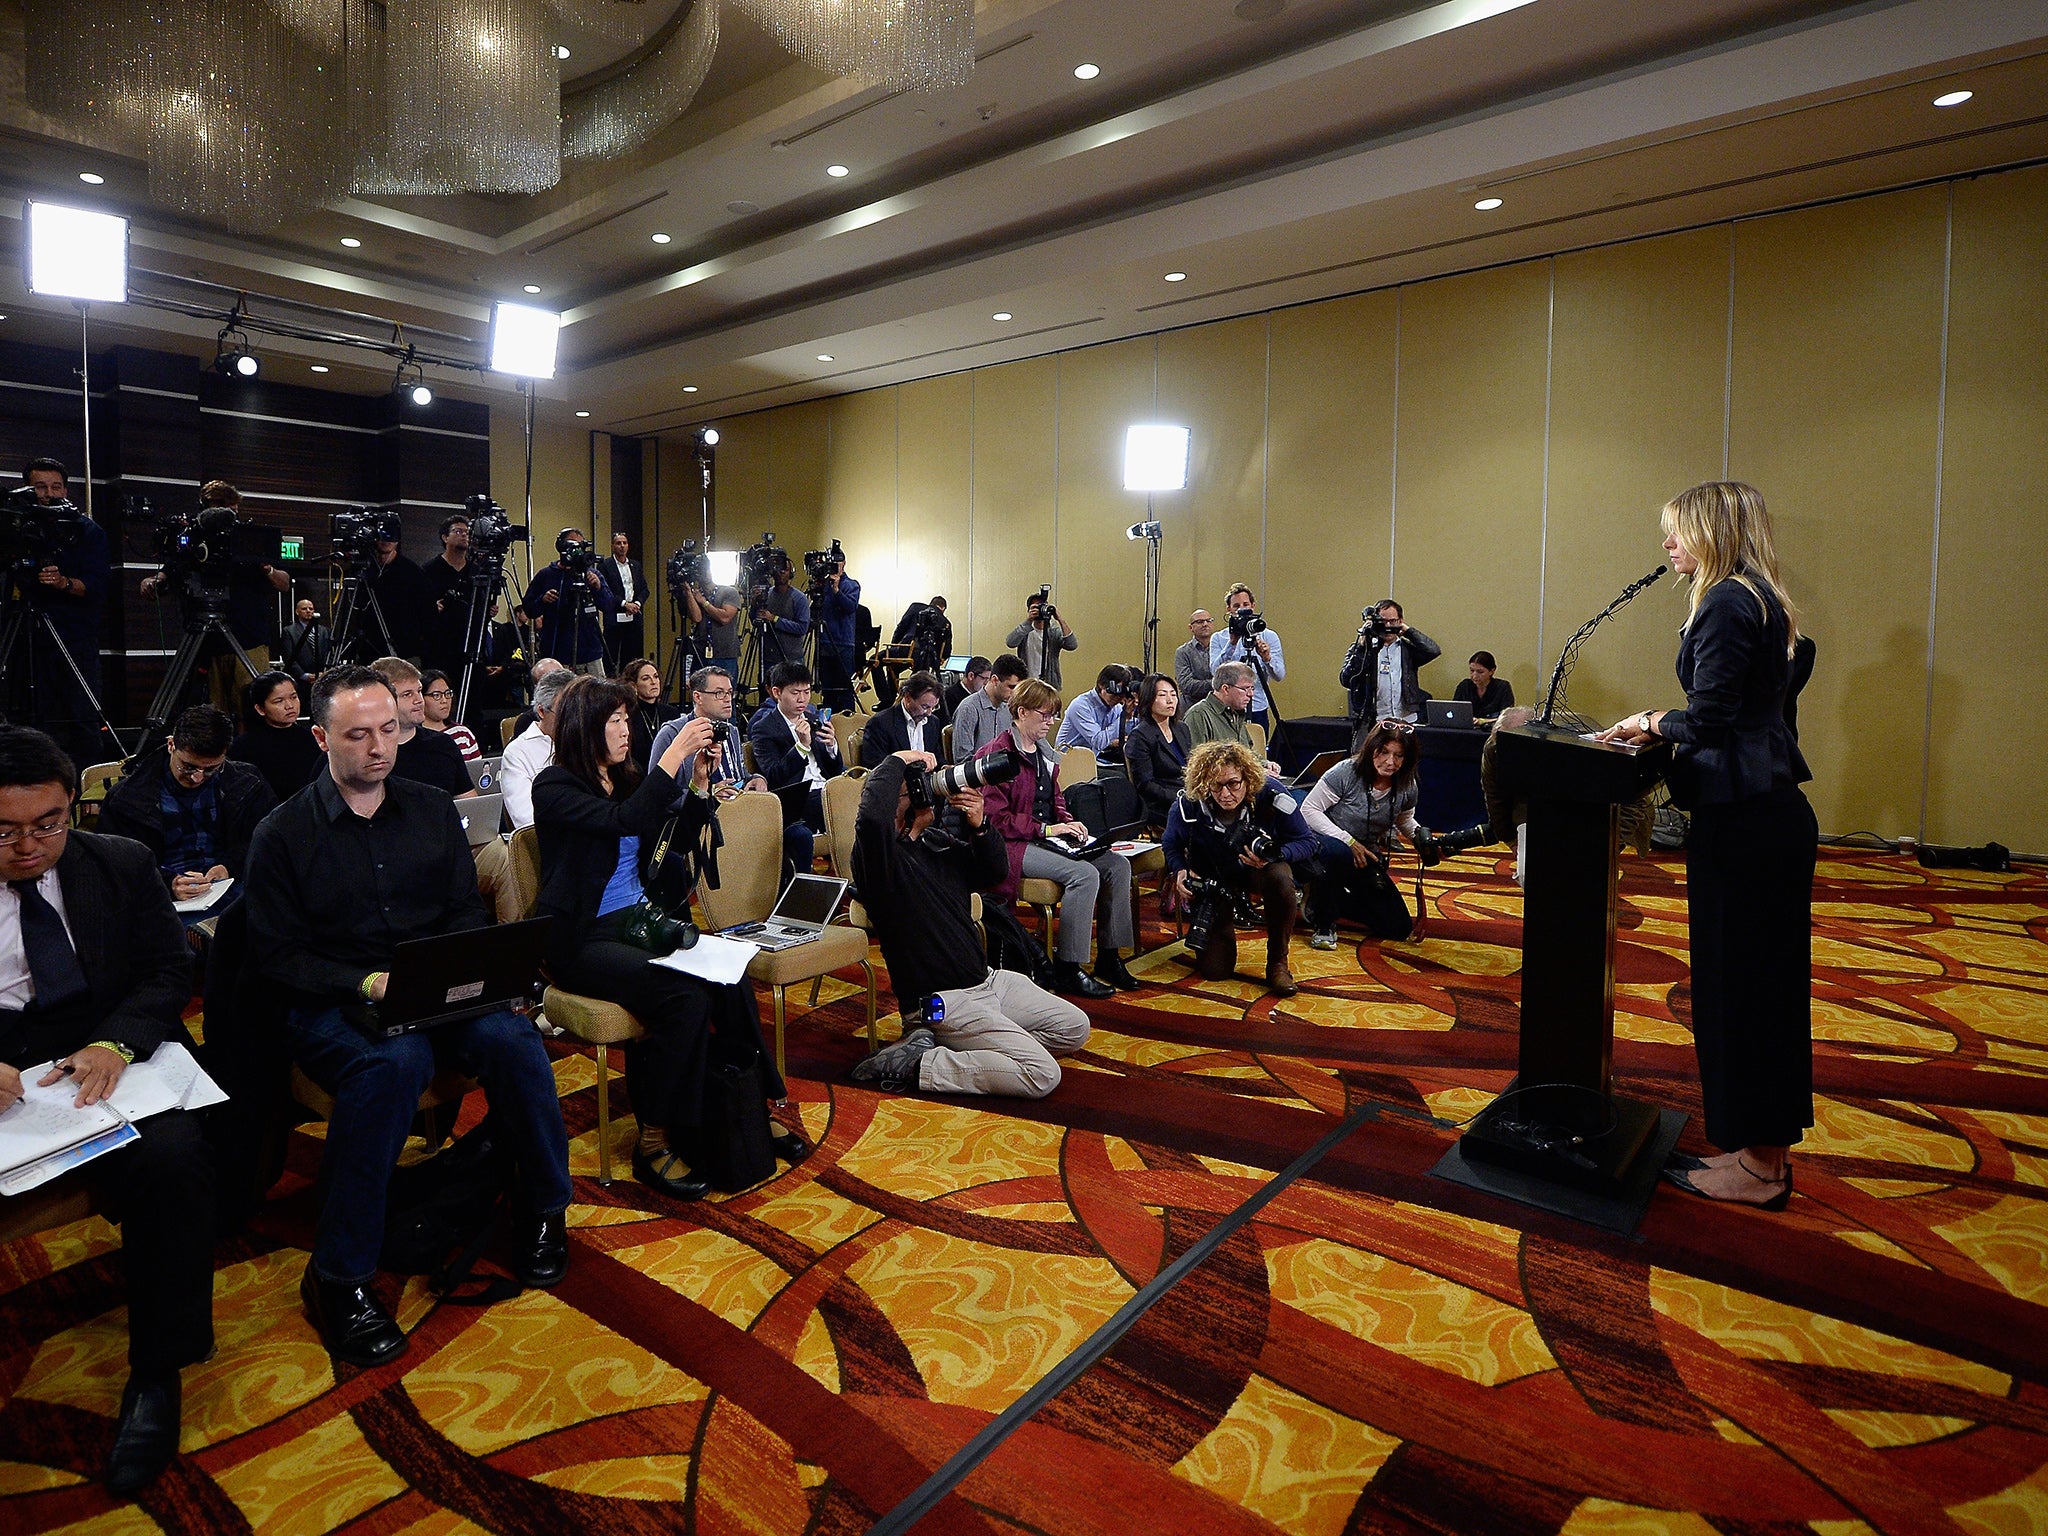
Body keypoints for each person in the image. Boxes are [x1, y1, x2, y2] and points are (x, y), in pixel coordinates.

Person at [243, 667, 574, 1367]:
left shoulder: (429, 808)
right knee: (395, 1064)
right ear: (321, 737)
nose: (377, 748)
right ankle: (339, 1277)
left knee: (515, 1040)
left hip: (431, 986)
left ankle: (544, 1209)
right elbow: (278, 958)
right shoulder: (281, 833)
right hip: (332, 1000)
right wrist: (368, 981)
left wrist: (467, 972)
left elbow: (459, 911)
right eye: (357, 735)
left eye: (388, 730)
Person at [0, 727, 218, 1495]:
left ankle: (159, 1370)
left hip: (102, 1047)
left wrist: (117, 1044)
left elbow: (167, 968)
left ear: (73, 809)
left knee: (175, 1159)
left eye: (48, 824)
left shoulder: (118, 862)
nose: (29, 847)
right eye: (5, 831)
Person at [1595, 481, 1815, 1212]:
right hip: (1771, 818)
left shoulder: (1726, 600)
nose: (1667, 545)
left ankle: (1756, 1167)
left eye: (1677, 531)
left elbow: (1711, 722)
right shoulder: (1765, 598)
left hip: (1746, 826)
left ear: (1712, 532)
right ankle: (1762, 1155)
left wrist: (1649, 719)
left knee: (1741, 995)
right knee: (1763, 994)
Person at [533, 680, 801, 1196]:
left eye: (626, 720)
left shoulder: (628, 778)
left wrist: (698, 785)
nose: (625, 730)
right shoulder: (554, 786)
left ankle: (752, 1105)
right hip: (581, 937)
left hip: (639, 919)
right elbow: (623, 822)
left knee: (730, 974)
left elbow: (674, 840)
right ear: (583, 728)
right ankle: (654, 1137)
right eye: (613, 721)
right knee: (682, 997)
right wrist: (674, 753)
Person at [849, 749, 1092, 1097]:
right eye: (914, 789)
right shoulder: (878, 861)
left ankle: (969, 1044)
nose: (929, 793)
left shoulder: (935, 842)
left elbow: (994, 872)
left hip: (988, 982)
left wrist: (981, 827)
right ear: (894, 803)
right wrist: (897, 759)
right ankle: (919, 1064)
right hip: (940, 1001)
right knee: (1041, 1074)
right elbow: (871, 819)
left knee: (1074, 1027)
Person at [975, 679, 1136, 998]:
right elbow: (995, 820)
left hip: (1045, 838)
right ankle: (1068, 967)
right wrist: (1048, 830)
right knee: (1084, 875)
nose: (1051, 722)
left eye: (1054, 716)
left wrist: (1069, 822)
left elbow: (1055, 800)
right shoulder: (996, 755)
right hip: (1011, 845)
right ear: (1021, 712)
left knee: (1117, 866)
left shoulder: (1042, 751)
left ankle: (1109, 955)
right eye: (1046, 714)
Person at [1164, 740, 1317, 998]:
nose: (1225, 794)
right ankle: (1221, 929)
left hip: (1259, 870)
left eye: (1233, 784)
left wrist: (1278, 855)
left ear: (1248, 779)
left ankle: (1278, 961)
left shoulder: (1271, 794)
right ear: (1205, 783)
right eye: (1217, 785)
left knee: (1280, 875)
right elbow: (1170, 842)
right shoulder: (1189, 803)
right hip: (1213, 876)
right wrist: (1179, 870)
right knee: (1215, 970)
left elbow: (1308, 842)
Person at [371, 657, 518, 923]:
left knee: (507, 858)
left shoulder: (444, 745)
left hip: (454, 845)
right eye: (408, 694)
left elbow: (470, 804)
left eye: (418, 691)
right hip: (400, 855)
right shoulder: (375, 754)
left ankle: (510, 952)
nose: (418, 700)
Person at [137, 480, 291, 718]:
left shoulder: (249, 538)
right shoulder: (193, 538)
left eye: (233, 509)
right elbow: (170, 569)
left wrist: (267, 569)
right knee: (216, 712)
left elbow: (284, 583)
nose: (230, 513)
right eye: (224, 507)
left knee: (252, 708)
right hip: (208, 640)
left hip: (248, 638)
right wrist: (154, 580)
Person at [99, 704, 276, 905]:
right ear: (171, 745)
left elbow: (267, 841)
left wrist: (230, 866)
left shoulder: (249, 783)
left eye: (211, 769)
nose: (198, 778)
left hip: (233, 887)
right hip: (159, 898)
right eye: (188, 767)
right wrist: (167, 884)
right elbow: (114, 866)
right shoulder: (127, 798)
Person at [14, 457, 113, 765]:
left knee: (82, 714)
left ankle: (90, 793)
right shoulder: (17, 527)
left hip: (74, 637)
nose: (49, 493)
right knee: (27, 717)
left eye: (56, 486)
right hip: (24, 635)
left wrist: (63, 583)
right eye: (40, 487)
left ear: (67, 491)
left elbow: (98, 586)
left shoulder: (87, 531)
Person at [1300, 721, 1424, 947]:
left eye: (1399, 755)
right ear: (1371, 749)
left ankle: (1324, 899)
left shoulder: (1406, 783)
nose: (1390, 762)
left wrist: (1421, 839)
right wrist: (1347, 840)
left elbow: (1404, 819)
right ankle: (1324, 921)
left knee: (1398, 927)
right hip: (1328, 846)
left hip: (1366, 854)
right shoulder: (1346, 771)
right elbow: (1308, 811)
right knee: (1337, 853)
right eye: (1383, 752)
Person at [748, 662, 841, 877]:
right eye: (795, 692)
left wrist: (831, 746)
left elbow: (833, 769)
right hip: (798, 799)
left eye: (807, 692)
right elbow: (773, 775)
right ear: (777, 692)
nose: (802, 699)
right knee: (849, 805)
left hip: (825, 790)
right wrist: (801, 746)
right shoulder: (764, 728)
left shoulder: (813, 719)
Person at [1340, 599, 1441, 738]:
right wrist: (1362, 646)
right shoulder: (1364, 649)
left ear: (1400, 621)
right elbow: (1346, 679)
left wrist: (1408, 631)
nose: (1387, 626)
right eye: (1383, 621)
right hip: (1374, 721)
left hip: (1406, 719)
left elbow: (1433, 650)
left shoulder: (1408, 650)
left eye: (1392, 621)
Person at [524, 531, 618, 675]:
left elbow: (609, 606)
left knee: (594, 697)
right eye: (572, 545)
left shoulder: (591, 575)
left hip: (589, 654)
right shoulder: (546, 575)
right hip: (556, 655)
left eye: (580, 545)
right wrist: (542, 600)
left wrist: (598, 588)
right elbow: (529, 609)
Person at [502, 668, 575, 831]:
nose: (573, 719)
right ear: (541, 711)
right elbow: (526, 821)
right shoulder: (518, 753)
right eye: (564, 712)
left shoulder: (589, 740)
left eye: (577, 710)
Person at [230, 670, 324, 798]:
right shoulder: (243, 747)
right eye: (279, 701)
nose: (290, 706)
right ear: (260, 709)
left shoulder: (314, 739)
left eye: (294, 697)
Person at [1183, 661, 1282, 775]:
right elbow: (1197, 765)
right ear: (1225, 689)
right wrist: (1254, 771)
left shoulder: (1236, 714)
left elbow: (1244, 753)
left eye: (1252, 688)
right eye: (1245, 689)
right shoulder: (1198, 715)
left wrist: (1264, 764)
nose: (1251, 694)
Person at [1208, 584, 1285, 728]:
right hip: (1227, 709)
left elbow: (1279, 675)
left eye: (1246, 605)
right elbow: (1214, 672)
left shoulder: (1268, 636)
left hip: (1258, 708)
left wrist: (1267, 658)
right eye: (1236, 606)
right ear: (1228, 609)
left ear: (1253, 606)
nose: (1242, 609)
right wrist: (1231, 643)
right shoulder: (1218, 638)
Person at [357, 524, 433, 663]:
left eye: (391, 537)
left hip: (405, 651)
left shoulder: (412, 572)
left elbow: (428, 613)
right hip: (368, 650)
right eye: (381, 536)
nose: (386, 540)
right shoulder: (364, 570)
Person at [1126, 673, 1191, 825]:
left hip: (1189, 795)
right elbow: (1145, 784)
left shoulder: (1182, 728)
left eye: (1174, 695)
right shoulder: (1140, 735)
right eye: (1163, 695)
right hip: (1160, 804)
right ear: (1148, 700)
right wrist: (1179, 796)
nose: (1170, 700)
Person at [419, 513, 475, 677]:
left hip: (469, 643)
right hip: (439, 644)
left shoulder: (476, 571)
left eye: (467, 532)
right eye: (457, 531)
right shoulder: (429, 570)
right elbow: (419, 607)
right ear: (445, 537)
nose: (464, 535)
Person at [811, 550, 862, 712]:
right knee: (828, 693)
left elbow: (850, 607)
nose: (834, 568)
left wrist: (836, 590)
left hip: (843, 645)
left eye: (837, 564)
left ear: (844, 564)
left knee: (845, 691)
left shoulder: (851, 585)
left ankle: (848, 726)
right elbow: (815, 610)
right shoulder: (823, 585)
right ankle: (827, 729)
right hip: (825, 642)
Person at [1054, 664, 1138, 759]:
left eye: (1121, 694)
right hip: (1068, 761)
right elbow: (1098, 742)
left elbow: (1128, 733)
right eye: (1114, 694)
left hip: (1091, 760)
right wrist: (1124, 717)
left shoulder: (1115, 708)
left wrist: (1131, 715)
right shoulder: (1081, 705)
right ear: (1101, 684)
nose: (1117, 698)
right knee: (1119, 774)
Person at [953, 654, 1024, 762]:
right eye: (1011, 687)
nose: (1015, 693)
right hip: (979, 775)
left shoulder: (1010, 708)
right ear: (995, 680)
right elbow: (962, 761)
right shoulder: (968, 709)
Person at [752, 552, 812, 675]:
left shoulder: (799, 598)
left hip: (791, 658)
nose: (781, 573)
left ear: (791, 573)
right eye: (778, 570)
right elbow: (755, 620)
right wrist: (754, 602)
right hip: (769, 657)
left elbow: (802, 628)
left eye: (785, 570)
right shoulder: (766, 594)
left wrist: (774, 619)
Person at [863, 671, 943, 762]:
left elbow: (937, 756)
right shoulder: (880, 724)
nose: (929, 713)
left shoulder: (933, 722)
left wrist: (944, 767)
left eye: (934, 707)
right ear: (908, 697)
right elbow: (875, 767)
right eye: (925, 707)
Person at [682, 567, 744, 684]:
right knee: (700, 690)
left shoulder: (729, 592)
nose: (704, 573)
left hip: (725, 654)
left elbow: (725, 618)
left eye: (706, 569)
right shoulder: (696, 594)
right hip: (701, 652)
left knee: (725, 692)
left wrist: (703, 602)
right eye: (700, 570)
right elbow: (697, 618)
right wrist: (689, 594)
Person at [1005, 589, 1077, 689]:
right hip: (1026, 685)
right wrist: (1028, 620)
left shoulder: (1054, 632)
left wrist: (1060, 619)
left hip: (1049, 685)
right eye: (1035, 607)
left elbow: (1072, 645)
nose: (1038, 610)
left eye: (1041, 606)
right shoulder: (1025, 631)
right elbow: (1010, 642)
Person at [619, 657, 680, 770]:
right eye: (646, 678)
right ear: (633, 685)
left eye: (656, 677)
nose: (654, 682)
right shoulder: (628, 715)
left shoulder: (671, 713)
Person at [598, 532, 648, 666]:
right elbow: (605, 590)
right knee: (611, 655)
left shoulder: (635, 565)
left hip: (634, 616)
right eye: (618, 543)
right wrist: (624, 604)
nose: (622, 546)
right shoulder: (605, 566)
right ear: (613, 546)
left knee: (632, 656)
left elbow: (644, 589)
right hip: (615, 615)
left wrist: (636, 604)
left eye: (624, 543)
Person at [420, 668, 481, 761]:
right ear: (421, 698)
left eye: (447, 694)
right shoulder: (414, 737)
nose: (444, 700)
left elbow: (477, 771)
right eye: (436, 695)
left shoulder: (462, 734)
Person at [276, 597, 332, 692]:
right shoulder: (289, 631)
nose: (308, 611)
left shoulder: (324, 631)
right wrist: (304, 675)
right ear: (297, 612)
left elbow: (330, 652)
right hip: (300, 681)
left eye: (311, 609)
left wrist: (325, 672)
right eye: (304, 609)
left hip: (322, 680)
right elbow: (288, 656)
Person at [891, 595, 953, 676]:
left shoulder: (915, 607)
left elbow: (901, 628)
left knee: (883, 663)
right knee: (921, 675)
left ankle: (889, 688)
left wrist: (895, 645)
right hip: (930, 658)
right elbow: (947, 649)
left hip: (907, 651)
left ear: (930, 604)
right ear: (943, 608)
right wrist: (942, 658)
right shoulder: (946, 622)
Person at [1174, 609, 1215, 712]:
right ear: (1191, 627)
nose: (1205, 624)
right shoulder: (1183, 652)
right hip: (1191, 707)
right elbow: (1186, 685)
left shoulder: (1222, 649)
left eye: (1208, 620)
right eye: (1200, 622)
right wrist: (1216, 684)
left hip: (1218, 706)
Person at [1454, 651, 1515, 718]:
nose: (1474, 676)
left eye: (1480, 672)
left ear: (1492, 671)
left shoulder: (1502, 687)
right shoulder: (1464, 686)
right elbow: (1454, 711)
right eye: (1472, 671)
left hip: (1494, 727)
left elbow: (1507, 717)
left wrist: (1484, 721)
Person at [941, 655, 987, 722]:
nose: (986, 683)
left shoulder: (982, 696)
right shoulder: (949, 696)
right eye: (984, 679)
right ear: (971, 676)